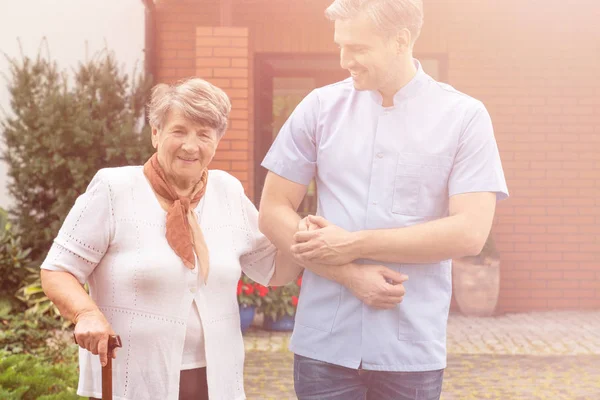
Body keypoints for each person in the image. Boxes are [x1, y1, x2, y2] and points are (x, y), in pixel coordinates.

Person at [258, 0, 509, 399]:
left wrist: (354, 244)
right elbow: (272, 210)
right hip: (324, 345)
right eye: (341, 46)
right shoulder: (320, 108)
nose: (345, 60)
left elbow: (470, 232)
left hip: (410, 351)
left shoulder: (464, 116)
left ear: (400, 41)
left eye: (357, 48)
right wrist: (349, 275)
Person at [40, 78, 297, 400]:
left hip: (215, 380)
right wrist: (86, 314)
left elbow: (272, 270)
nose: (191, 146)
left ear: (217, 141)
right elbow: (57, 270)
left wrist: (305, 237)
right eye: (179, 131)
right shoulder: (113, 189)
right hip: (131, 379)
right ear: (156, 133)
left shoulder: (227, 191)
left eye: (204, 134)